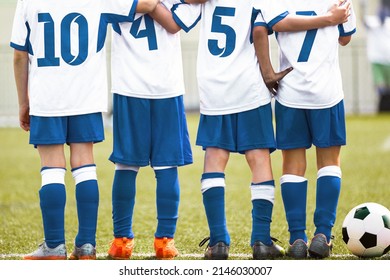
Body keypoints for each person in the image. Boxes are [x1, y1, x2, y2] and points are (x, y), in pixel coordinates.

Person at [170, 1, 350, 260]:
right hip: (251, 86)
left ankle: (219, 241)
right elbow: (260, 30)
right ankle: (262, 240)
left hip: (213, 85)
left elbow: (180, 16)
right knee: (259, 159)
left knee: (214, 159)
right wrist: (267, 72)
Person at [10, 0, 159, 260]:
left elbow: (19, 55)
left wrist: (24, 102)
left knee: (52, 169)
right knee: (85, 166)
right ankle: (87, 245)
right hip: (86, 98)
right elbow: (147, 4)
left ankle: (54, 246)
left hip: (47, 98)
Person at [106, 0, 207, 260]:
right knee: (165, 166)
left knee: (126, 166)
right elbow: (175, 22)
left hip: (130, 87)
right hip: (166, 87)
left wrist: (149, 6)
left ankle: (121, 240)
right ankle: (164, 240)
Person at [258, 0, 356, 259]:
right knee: (329, 164)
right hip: (327, 93)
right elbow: (345, 38)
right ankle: (323, 235)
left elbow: (270, 25)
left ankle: (297, 238)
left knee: (292, 166)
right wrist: (328, 19)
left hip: (290, 92)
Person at [360, 0, 390, 112]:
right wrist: (363, 6)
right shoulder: (373, 22)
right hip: (377, 60)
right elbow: (363, 20)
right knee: (381, 88)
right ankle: (382, 109)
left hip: (389, 61)